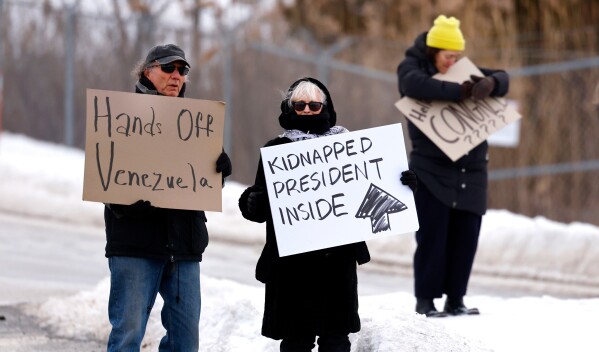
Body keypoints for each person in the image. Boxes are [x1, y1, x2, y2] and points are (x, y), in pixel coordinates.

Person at [238, 77, 417, 352]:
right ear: (290, 108)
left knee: (336, 340)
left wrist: (402, 182)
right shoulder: (276, 150)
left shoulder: (348, 146)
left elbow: (375, 185)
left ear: (326, 107)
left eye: (314, 104)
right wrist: (253, 201)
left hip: (336, 264)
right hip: (292, 266)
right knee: (296, 340)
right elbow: (259, 205)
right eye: (300, 105)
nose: (307, 110)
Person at [104, 44, 232, 351]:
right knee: (128, 336)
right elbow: (105, 171)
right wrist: (122, 205)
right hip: (135, 243)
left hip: (184, 247)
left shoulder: (197, 124)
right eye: (168, 68)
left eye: (182, 70)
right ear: (148, 71)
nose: (176, 76)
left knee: (185, 342)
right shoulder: (121, 115)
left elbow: (197, 181)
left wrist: (219, 171)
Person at [396, 15, 510, 317]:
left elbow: (504, 77)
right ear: (434, 52)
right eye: (449, 56)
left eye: (458, 56)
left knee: (465, 236)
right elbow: (412, 84)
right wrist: (459, 91)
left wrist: (491, 83)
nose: (454, 62)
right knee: (433, 237)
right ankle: (426, 300)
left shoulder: (463, 71)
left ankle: (456, 298)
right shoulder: (412, 69)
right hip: (431, 171)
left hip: (470, 172)